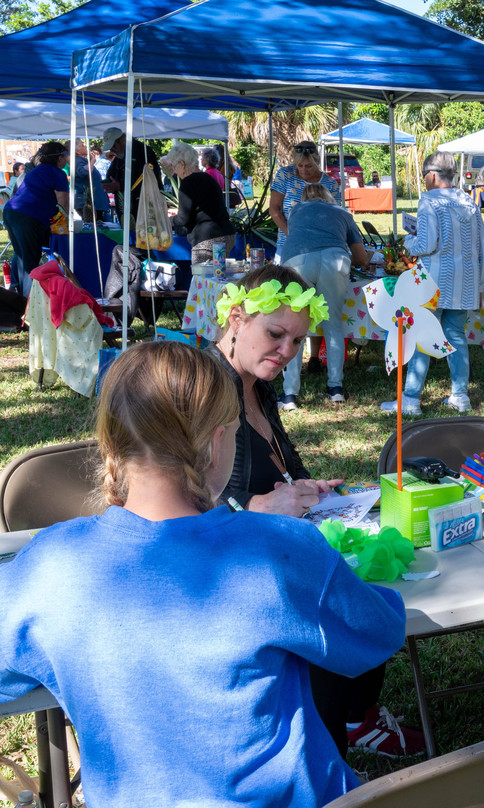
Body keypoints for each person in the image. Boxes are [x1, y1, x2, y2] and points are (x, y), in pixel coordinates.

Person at [0, 340, 407, 806]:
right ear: (217, 441)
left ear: (112, 441)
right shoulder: (278, 548)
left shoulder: (48, 565)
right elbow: (379, 633)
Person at [212, 263, 424, 758]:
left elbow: (276, 467)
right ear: (237, 318)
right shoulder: (202, 385)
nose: (286, 352)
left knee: (367, 589)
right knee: (339, 615)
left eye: (297, 341)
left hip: (281, 550)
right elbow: (177, 502)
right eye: (275, 333)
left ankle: (356, 719)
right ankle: (329, 754)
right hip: (230, 570)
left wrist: (306, 488)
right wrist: (255, 506)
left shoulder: (256, 383)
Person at [380, 151, 484, 416]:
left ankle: (411, 398)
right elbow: (482, 244)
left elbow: (427, 245)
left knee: (422, 336)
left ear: (431, 175)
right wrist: (481, 281)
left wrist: (409, 241)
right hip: (465, 280)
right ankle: (460, 395)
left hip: (434, 281)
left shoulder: (429, 200)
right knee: (456, 336)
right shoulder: (468, 201)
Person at [279, 183, 372, 408]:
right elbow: (360, 258)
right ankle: (335, 388)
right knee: (333, 326)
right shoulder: (342, 213)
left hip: (297, 261)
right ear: (329, 197)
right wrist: (366, 258)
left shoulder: (295, 211)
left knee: (295, 326)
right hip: (334, 260)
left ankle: (290, 394)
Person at [100, 127, 163, 317]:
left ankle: (145, 294)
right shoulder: (119, 156)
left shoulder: (142, 152)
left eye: (115, 146)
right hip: (126, 213)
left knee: (142, 251)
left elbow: (149, 181)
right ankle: (133, 293)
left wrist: (119, 186)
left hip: (144, 212)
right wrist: (107, 184)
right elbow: (112, 175)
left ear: (122, 140)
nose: (114, 150)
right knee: (131, 249)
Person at [2, 141, 69, 298]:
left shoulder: (36, 170)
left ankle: (17, 297)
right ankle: (28, 305)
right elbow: (63, 206)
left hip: (11, 212)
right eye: (65, 156)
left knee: (21, 257)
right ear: (60, 158)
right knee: (30, 262)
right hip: (27, 217)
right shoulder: (58, 174)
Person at [162, 142, 236, 265]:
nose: (175, 171)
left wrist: (166, 220)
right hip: (226, 234)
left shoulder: (187, 183)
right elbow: (205, 208)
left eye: (174, 166)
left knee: (201, 279)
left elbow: (183, 220)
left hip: (206, 238)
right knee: (218, 278)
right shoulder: (209, 178)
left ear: (182, 164)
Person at [269, 140, 340, 258]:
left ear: (317, 161)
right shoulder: (285, 175)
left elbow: (335, 216)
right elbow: (274, 209)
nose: (303, 170)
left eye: (308, 166)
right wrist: (291, 234)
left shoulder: (330, 183)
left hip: (319, 247)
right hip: (288, 245)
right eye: (299, 166)